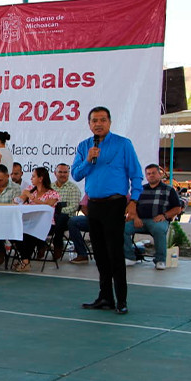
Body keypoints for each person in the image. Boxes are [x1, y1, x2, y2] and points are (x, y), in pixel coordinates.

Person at [71, 106, 143, 315]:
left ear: (110, 122)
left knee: (115, 253)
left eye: (103, 120)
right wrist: (88, 160)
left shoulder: (123, 144)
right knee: (100, 253)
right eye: (94, 120)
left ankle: (122, 299)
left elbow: (136, 175)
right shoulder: (85, 146)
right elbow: (76, 174)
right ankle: (105, 297)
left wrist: (134, 201)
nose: (98, 124)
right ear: (89, 124)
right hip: (94, 205)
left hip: (115, 204)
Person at [124, 163, 183, 270]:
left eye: (153, 173)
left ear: (160, 174)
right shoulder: (140, 189)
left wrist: (164, 215)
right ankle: (129, 257)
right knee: (122, 228)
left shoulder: (169, 190)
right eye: (148, 174)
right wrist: (135, 218)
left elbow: (177, 208)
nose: (151, 175)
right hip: (139, 220)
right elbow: (132, 206)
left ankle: (160, 260)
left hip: (157, 221)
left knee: (159, 230)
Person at [12, 167, 61, 272]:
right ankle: (25, 261)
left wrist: (31, 197)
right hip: (29, 222)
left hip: (46, 224)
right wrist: (18, 199)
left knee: (28, 234)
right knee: (16, 231)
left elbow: (46, 205)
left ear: (40, 178)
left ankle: (25, 261)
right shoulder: (30, 189)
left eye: (33, 176)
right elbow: (20, 200)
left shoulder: (52, 193)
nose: (31, 179)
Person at [51, 163, 82, 259]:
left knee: (61, 218)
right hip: (51, 217)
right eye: (60, 172)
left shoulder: (73, 188)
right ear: (55, 173)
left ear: (68, 174)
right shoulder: (50, 187)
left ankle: (57, 245)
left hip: (67, 219)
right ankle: (41, 245)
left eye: (65, 172)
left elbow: (74, 207)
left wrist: (57, 211)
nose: (62, 174)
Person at [67, 194, 91, 264]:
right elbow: (84, 207)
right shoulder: (91, 190)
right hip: (92, 218)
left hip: (109, 220)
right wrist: (93, 219)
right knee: (73, 221)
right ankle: (82, 254)